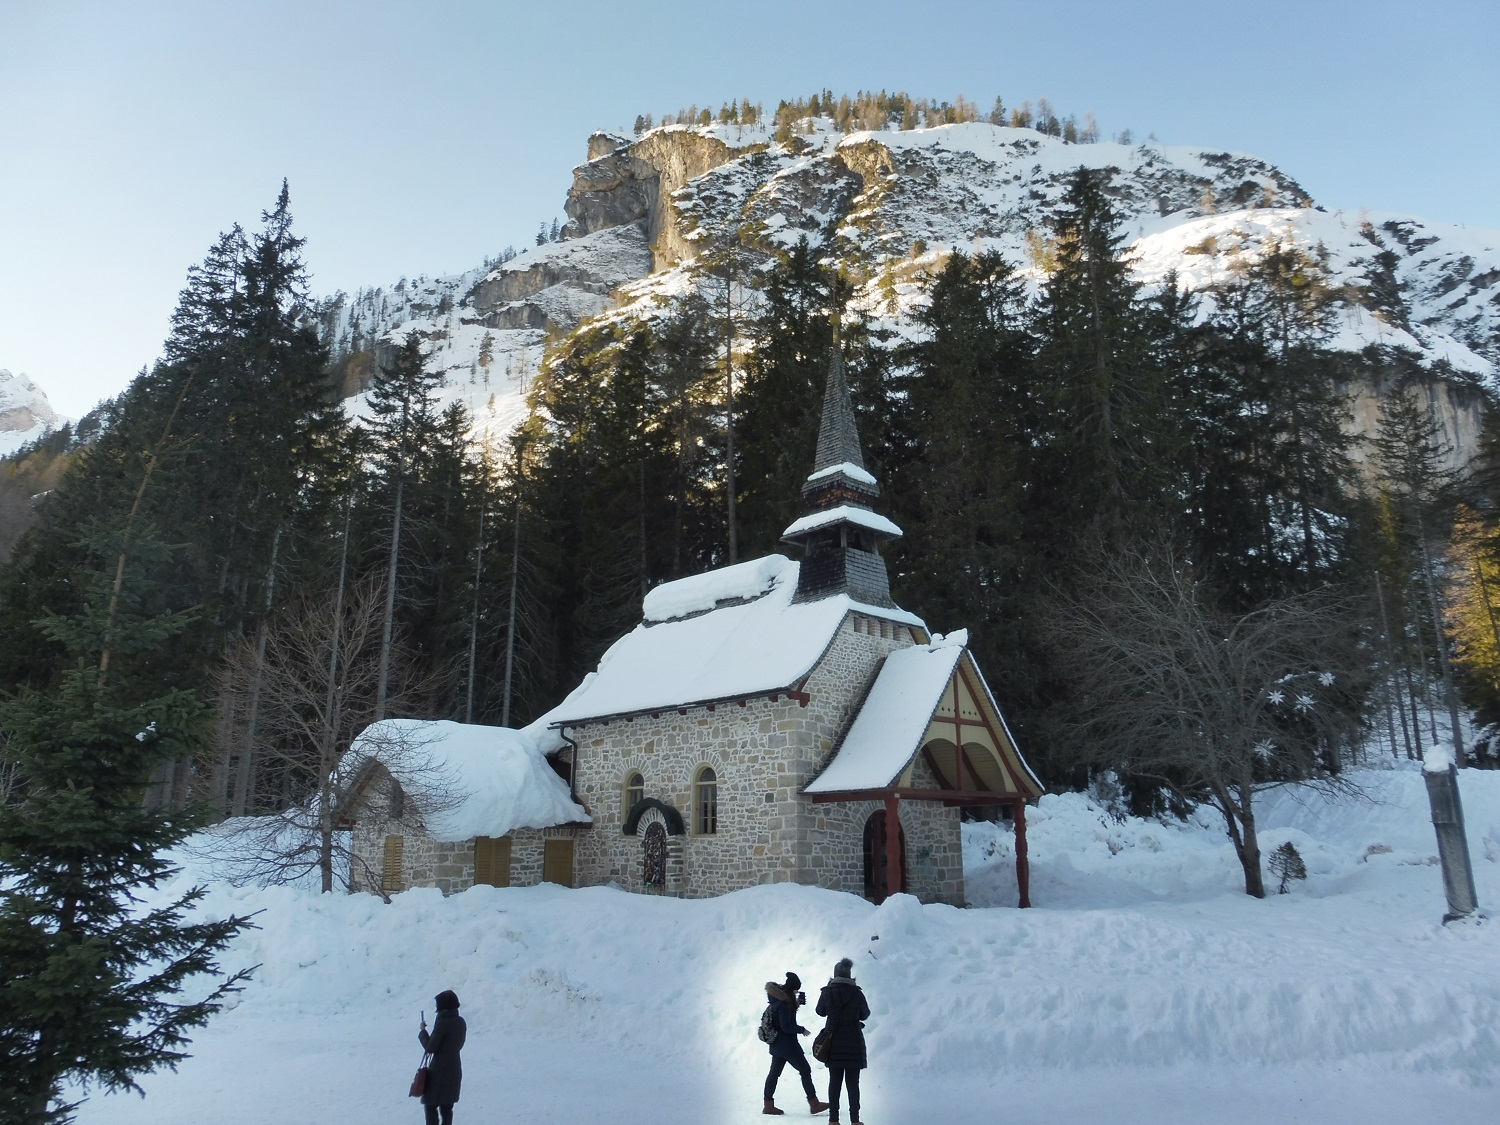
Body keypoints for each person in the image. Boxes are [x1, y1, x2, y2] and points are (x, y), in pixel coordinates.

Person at [763, 971, 830, 1116]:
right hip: (788, 1046)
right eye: (795, 990)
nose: (796, 992)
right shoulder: (785, 1004)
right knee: (805, 1070)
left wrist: (796, 1002)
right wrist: (801, 1029)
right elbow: (786, 1026)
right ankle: (814, 1104)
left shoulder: (778, 1001)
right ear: (791, 989)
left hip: (777, 1046)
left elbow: (782, 1017)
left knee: (774, 1074)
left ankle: (768, 1104)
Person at [816, 959, 870, 1125]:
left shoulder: (827, 992)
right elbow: (865, 1014)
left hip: (833, 1044)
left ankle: (833, 1120)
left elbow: (820, 1011)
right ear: (849, 975)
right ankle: (855, 1120)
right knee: (853, 1084)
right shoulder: (857, 993)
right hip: (853, 1043)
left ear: (834, 974)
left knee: (835, 1082)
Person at [418, 989, 467, 1125]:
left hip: (439, 1070)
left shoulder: (442, 1023)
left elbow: (430, 1047)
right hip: (455, 1068)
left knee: (430, 1105)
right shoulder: (461, 1022)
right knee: (447, 1108)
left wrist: (423, 1032)